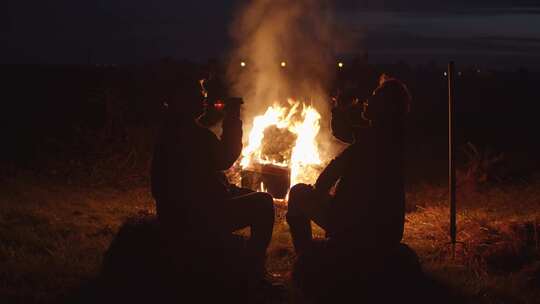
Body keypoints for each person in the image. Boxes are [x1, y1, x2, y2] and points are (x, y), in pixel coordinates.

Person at [150, 74, 275, 280]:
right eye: (200, 95)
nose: (204, 99)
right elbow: (226, 157)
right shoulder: (192, 134)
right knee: (263, 203)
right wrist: (233, 117)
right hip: (197, 215)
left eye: (204, 94)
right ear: (183, 100)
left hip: (179, 212)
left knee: (247, 194)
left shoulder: (169, 130)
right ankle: (254, 269)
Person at [286, 74, 411, 256]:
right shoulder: (391, 138)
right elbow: (343, 133)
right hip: (387, 231)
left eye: (375, 96)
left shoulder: (371, 141)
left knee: (297, 193)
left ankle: (306, 257)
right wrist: (339, 109)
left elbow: (330, 175)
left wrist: (317, 193)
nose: (367, 100)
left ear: (384, 107)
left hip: (354, 226)